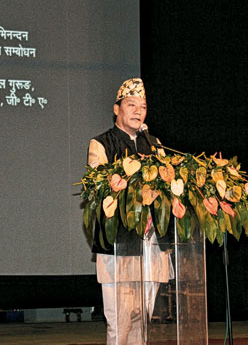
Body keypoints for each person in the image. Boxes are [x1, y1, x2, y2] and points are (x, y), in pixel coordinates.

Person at [88, 78, 170, 345]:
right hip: (118, 246)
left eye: (143, 106)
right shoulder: (101, 145)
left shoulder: (155, 146)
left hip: (151, 246)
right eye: (131, 105)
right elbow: (98, 192)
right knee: (120, 322)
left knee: (142, 319)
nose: (138, 111)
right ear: (116, 109)